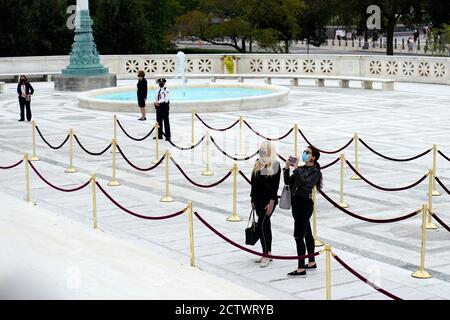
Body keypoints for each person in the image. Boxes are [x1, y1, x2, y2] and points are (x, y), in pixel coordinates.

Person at [283, 146, 322, 277]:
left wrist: (296, 169)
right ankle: (311, 262)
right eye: (304, 151)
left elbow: (304, 184)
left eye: (308, 152)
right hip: (296, 203)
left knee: (298, 235)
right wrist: (287, 168)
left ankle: (301, 268)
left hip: (304, 204)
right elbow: (288, 182)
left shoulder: (315, 172)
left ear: (313, 157)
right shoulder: (301, 169)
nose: (304, 154)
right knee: (307, 233)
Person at [250, 141, 281, 268]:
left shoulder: (275, 165)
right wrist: (252, 198)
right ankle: (268, 252)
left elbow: (275, 187)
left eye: (264, 149)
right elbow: (254, 182)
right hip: (258, 200)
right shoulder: (258, 162)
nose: (261, 151)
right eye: (260, 149)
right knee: (266, 226)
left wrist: (271, 203)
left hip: (268, 202)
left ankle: (266, 255)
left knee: (262, 225)